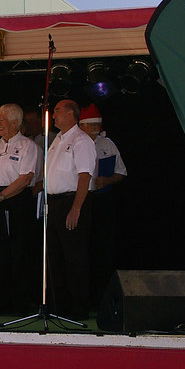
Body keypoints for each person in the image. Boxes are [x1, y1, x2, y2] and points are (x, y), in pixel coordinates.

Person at [0, 103, 41, 313]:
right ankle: (1, 299)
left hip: (16, 199)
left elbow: (25, 178)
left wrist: (0, 197)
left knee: (20, 250)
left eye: (2, 119)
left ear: (15, 122)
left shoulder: (27, 146)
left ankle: (21, 301)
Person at [44, 99, 97, 320]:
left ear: (70, 113)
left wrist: (76, 208)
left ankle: (79, 306)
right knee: (54, 257)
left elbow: (85, 176)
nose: (53, 115)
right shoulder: (58, 139)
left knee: (74, 256)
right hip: (54, 202)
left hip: (72, 201)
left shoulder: (81, 140)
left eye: (57, 111)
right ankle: (60, 305)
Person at [78, 103, 128, 304]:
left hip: (102, 200)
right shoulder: (74, 144)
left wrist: (107, 180)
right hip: (81, 199)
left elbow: (121, 172)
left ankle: (103, 297)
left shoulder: (107, 144)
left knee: (103, 248)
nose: (95, 129)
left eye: (97, 125)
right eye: (91, 125)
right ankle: (82, 296)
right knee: (83, 248)